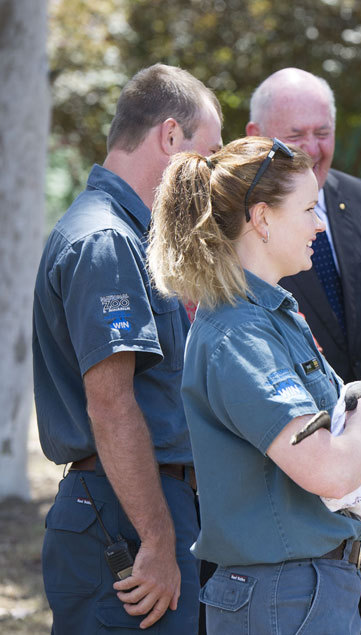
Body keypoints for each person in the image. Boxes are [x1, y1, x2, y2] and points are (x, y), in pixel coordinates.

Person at [145, 135, 361, 633]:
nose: (320, 223)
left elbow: (344, 411)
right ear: (261, 219)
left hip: (308, 590)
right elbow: (330, 469)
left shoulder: (275, 316)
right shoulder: (240, 335)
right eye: (308, 209)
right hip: (284, 597)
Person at [32, 63, 222, 632]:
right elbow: (112, 404)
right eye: (206, 156)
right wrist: (158, 539)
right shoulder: (107, 241)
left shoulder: (128, 235)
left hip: (135, 505)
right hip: (126, 516)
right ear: (169, 137)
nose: (209, 176)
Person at [246, 68, 361, 634]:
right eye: (295, 135)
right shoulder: (238, 230)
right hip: (288, 484)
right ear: (257, 133)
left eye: (323, 132)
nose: (312, 150)